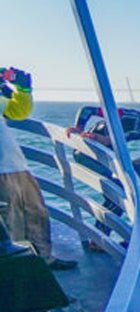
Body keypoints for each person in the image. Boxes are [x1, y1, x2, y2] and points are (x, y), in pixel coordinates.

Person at [0, 67, 76, 270]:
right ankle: (21, 268)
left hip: (14, 163)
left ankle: (43, 259)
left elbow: (17, 112)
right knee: (11, 218)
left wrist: (21, 89)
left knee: (36, 211)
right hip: (3, 169)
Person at [66, 96, 140, 236]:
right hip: (89, 154)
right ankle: (100, 235)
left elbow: (113, 139)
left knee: (117, 193)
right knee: (117, 192)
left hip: (95, 155)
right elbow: (88, 110)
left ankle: (100, 234)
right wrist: (79, 128)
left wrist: (104, 140)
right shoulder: (130, 116)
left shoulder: (137, 123)